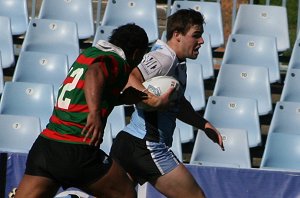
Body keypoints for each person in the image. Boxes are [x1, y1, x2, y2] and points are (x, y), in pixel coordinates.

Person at [15, 23, 149, 198]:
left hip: (46, 146)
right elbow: (95, 73)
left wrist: (122, 99)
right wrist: (94, 114)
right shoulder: (118, 61)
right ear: (137, 53)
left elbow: (87, 90)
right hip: (76, 148)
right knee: (126, 194)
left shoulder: (88, 54)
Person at [109, 9, 225, 198]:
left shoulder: (175, 62)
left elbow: (177, 104)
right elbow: (130, 76)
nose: (202, 41)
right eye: (196, 35)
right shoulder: (165, 58)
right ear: (177, 35)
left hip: (128, 143)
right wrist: (152, 99)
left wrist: (203, 124)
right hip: (147, 145)